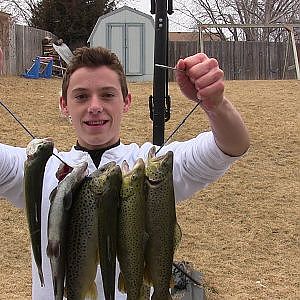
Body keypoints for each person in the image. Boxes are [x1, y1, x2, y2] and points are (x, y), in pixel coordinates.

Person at [0, 46, 249, 299]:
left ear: (126, 101)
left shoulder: (151, 168)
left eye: (107, 95)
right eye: (81, 96)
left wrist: (216, 104)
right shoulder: (37, 167)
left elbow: (230, 146)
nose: (95, 106)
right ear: (64, 105)